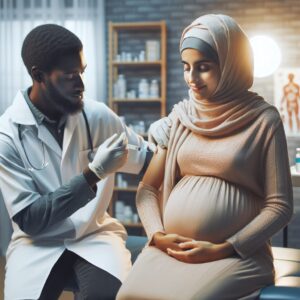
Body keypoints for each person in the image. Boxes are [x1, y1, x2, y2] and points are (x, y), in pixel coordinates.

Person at [117, 14, 293, 300]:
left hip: (235, 255)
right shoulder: (181, 117)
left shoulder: (264, 120)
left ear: (231, 65)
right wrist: (157, 236)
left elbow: (280, 206)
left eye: (204, 68)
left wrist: (225, 247)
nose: (192, 79)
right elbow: (148, 190)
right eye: (186, 67)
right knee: (128, 295)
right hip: (171, 251)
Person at [0, 24, 171, 300]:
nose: (81, 84)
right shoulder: (7, 135)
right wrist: (93, 174)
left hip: (95, 236)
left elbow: (149, 162)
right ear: (38, 75)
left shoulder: (97, 116)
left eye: (82, 72)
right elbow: (31, 219)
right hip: (36, 244)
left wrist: (168, 137)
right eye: (69, 76)